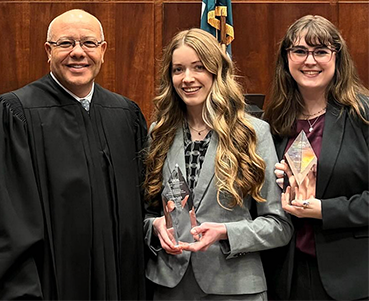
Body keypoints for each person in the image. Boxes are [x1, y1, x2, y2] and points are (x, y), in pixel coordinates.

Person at [0, 9, 148, 300]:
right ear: (48, 51)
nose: (78, 53)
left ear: (103, 50)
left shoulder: (124, 115)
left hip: (119, 283)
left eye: (89, 43)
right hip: (47, 286)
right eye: (65, 43)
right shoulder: (13, 114)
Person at [143, 28, 292, 300]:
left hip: (236, 288)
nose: (187, 78)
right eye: (178, 69)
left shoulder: (253, 132)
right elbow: (143, 213)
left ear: (217, 72)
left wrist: (225, 232)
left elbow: (279, 227)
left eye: (198, 67)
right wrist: (154, 227)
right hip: (170, 287)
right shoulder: (159, 132)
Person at [263, 15, 369, 301]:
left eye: (320, 51)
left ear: (337, 57)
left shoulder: (363, 115)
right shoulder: (272, 121)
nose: (310, 60)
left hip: (353, 278)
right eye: (299, 51)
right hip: (286, 276)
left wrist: (324, 210)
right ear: (287, 57)